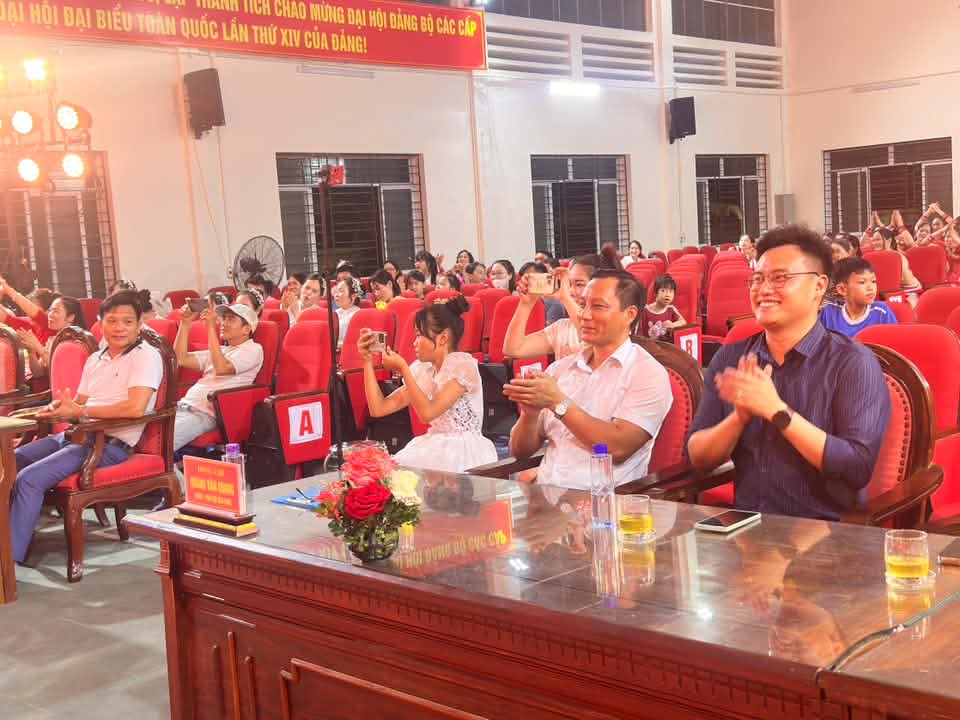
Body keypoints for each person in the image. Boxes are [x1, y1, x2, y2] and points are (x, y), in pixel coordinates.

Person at [687, 224, 891, 521]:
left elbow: (857, 468)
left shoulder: (853, 363)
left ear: (819, 286)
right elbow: (697, 458)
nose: (764, 289)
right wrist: (739, 418)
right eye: (758, 279)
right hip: (748, 529)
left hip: (829, 533)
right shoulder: (732, 357)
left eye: (780, 278)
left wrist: (777, 412)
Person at [10, 291, 164, 562]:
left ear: (139, 325)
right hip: (77, 436)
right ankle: (11, 536)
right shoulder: (96, 359)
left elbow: (135, 408)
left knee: (28, 479)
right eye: (112, 321)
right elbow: (78, 402)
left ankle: (9, 560)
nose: (119, 328)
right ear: (100, 323)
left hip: (109, 446)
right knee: (11, 461)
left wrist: (80, 411)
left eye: (128, 322)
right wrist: (58, 407)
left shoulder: (145, 356)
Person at [504, 270, 672, 489]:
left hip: (604, 501)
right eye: (583, 305)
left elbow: (619, 447)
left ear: (629, 315)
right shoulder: (561, 369)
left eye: (598, 307)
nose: (584, 315)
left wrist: (558, 402)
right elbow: (520, 451)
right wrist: (530, 414)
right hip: (545, 497)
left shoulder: (646, 372)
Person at [358, 295, 497, 472]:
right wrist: (367, 361)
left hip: (463, 451)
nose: (414, 343)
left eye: (419, 335)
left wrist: (403, 369)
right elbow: (378, 408)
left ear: (442, 338)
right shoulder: (423, 370)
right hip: (434, 445)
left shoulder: (463, 366)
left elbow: (428, 413)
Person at [172, 298, 264, 453]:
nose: (223, 323)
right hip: (183, 406)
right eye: (224, 318)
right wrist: (185, 323)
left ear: (247, 329)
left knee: (160, 445)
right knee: (141, 437)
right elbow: (180, 358)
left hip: (205, 414)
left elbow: (222, 368)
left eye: (231, 319)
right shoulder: (221, 350)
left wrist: (210, 328)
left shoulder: (253, 349)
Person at [504, 248, 619, 361]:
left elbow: (591, 342)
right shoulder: (561, 328)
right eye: (569, 284)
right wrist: (526, 304)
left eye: (579, 284)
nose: (571, 291)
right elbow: (513, 349)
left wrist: (565, 298)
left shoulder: (613, 324)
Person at [819, 257, 898, 337]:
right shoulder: (829, 312)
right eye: (862, 282)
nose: (871, 288)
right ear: (842, 289)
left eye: (873, 281)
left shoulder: (881, 312)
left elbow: (894, 340)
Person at [16, 296, 87, 379]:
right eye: (50, 310)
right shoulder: (52, 339)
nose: (50, 314)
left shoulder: (75, 342)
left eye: (56, 311)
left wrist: (38, 347)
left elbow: (60, 371)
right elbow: (38, 372)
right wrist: (31, 350)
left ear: (70, 317)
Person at [0, 275, 57, 346]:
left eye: (32, 306)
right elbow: (6, 318)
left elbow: (38, 314)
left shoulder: (53, 326)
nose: (27, 310)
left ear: (48, 310)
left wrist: (8, 290)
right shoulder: (30, 324)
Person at [641, 275, 686, 339]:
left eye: (671, 292)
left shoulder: (671, 309)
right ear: (655, 293)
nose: (667, 295)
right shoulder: (645, 310)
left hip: (665, 344)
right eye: (663, 291)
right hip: (648, 344)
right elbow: (639, 334)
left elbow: (683, 322)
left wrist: (672, 325)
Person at [333, 276, 362, 348]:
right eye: (336, 291)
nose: (336, 295)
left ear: (353, 296)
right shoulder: (335, 313)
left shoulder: (358, 315)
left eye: (341, 291)